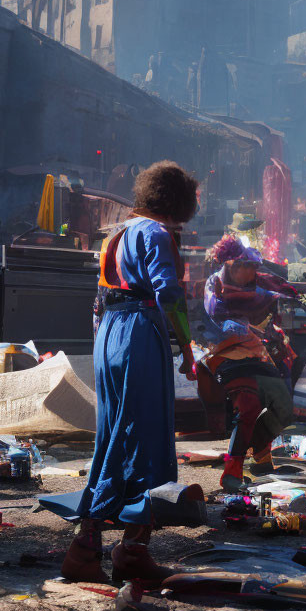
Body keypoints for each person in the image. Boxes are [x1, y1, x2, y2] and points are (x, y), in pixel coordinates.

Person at [61, 161, 198, 585]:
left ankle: (87, 548)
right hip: (139, 331)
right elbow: (169, 295)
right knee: (147, 439)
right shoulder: (156, 233)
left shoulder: (118, 233)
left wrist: (106, 343)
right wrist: (188, 348)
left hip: (110, 335)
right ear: (178, 199)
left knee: (114, 435)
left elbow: (100, 299)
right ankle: (133, 552)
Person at [199, 235, 297, 491]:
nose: (252, 272)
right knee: (249, 406)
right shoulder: (215, 283)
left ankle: (257, 451)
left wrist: (293, 298)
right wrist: (233, 324)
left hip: (255, 351)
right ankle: (232, 471)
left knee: (285, 408)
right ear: (232, 266)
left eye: (254, 267)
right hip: (224, 353)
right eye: (247, 267)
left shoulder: (259, 281)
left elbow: (283, 290)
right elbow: (215, 314)